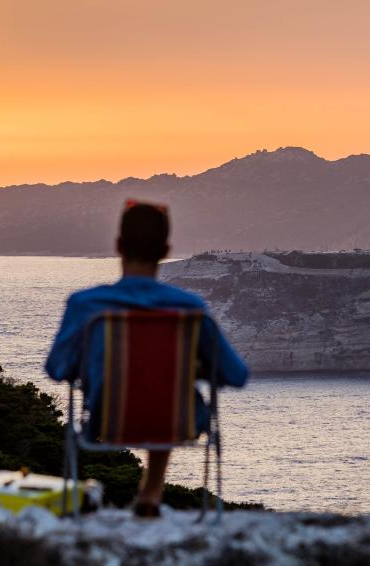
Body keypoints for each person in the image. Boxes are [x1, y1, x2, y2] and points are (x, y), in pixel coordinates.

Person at [45, 200, 248, 516]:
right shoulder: (190, 309)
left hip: (106, 420)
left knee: (137, 392)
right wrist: (191, 367)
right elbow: (236, 375)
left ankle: (109, 497)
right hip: (177, 422)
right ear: (166, 250)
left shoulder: (86, 305)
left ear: (118, 246)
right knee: (163, 393)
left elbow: (56, 368)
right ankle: (151, 492)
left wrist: (89, 364)